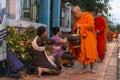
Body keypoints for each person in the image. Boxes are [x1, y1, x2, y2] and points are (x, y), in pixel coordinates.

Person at [71, 6, 98, 74]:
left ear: (79, 11)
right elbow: (74, 27)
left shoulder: (88, 15)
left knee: (91, 52)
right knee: (83, 53)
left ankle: (92, 68)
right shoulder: (77, 19)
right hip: (81, 38)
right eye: (74, 14)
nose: (75, 15)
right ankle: (84, 68)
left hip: (89, 37)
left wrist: (81, 26)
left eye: (76, 13)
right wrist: (76, 28)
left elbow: (91, 25)